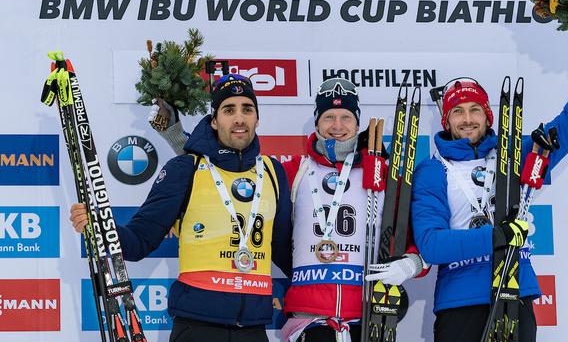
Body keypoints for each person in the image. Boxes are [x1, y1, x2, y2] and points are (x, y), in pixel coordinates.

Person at [148, 77, 428, 342]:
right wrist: (177, 138)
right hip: (309, 319)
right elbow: (231, 169)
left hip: (369, 316)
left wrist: (411, 264)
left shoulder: (382, 174)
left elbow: (417, 238)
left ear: (357, 124)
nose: (337, 125)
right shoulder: (293, 171)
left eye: (346, 118)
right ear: (317, 123)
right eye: (329, 116)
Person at [410, 16, 568, 342]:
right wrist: (497, 236)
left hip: (515, 293)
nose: (467, 119)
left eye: (475, 110)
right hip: (459, 302)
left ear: (487, 116)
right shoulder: (433, 171)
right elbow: (432, 245)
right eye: (458, 112)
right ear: (446, 120)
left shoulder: (512, 156)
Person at [70, 74, 293, 342]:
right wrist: (99, 225)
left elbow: (286, 251)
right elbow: (140, 240)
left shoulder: (272, 172)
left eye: (247, 109)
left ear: (257, 118)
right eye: (229, 110)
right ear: (214, 120)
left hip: (254, 330)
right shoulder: (186, 169)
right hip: (197, 328)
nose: (239, 119)